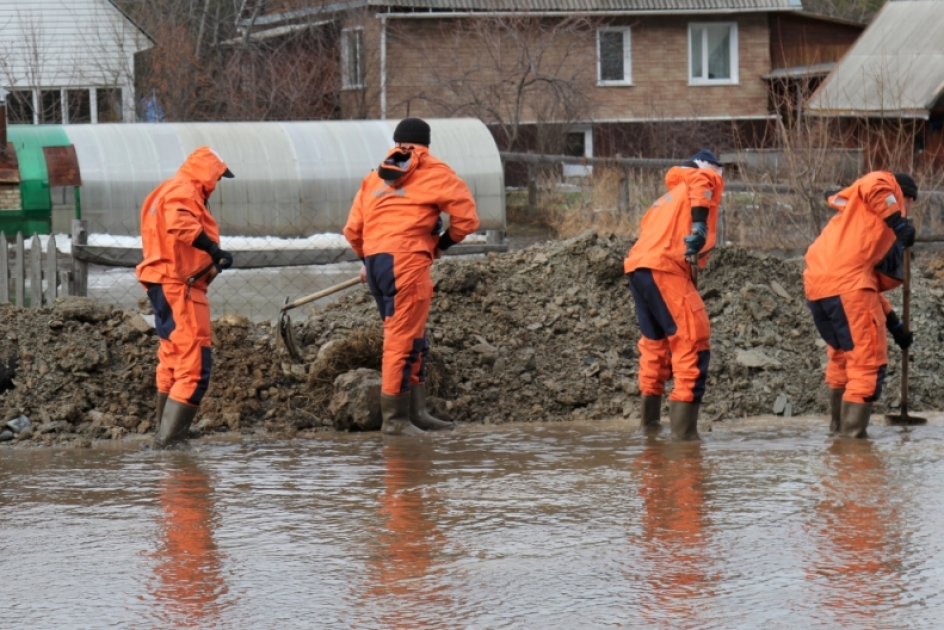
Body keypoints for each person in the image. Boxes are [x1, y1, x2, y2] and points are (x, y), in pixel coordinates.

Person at [343, 117, 480, 435]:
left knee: (413, 337)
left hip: (377, 265)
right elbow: (467, 219)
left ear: (396, 143)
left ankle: (416, 413)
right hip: (406, 263)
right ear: (426, 144)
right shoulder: (434, 171)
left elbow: (352, 230)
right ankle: (396, 422)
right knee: (401, 342)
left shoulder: (374, 177)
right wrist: (441, 245)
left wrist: (369, 257)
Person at [804, 172, 917, 438]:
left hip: (819, 288)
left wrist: (895, 325)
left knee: (843, 357)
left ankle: (837, 433)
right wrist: (899, 225)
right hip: (846, 288)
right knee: (867, 364)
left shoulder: (852, 225)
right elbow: (875, 183)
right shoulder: (885, 189)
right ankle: (854, 447)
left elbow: (864, 289)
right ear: (908, 197)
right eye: (910, 203)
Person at [136, 147, 235, 449]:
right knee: (194, 366)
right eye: (218, 176)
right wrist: (215, 251)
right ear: (207, 171)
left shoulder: (162, 190)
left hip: (161, 284)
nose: (217, 183)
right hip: (181, 287)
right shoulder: (185, 190)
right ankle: (171, 442)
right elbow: (180, 223)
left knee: (172, 358)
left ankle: (163, 434)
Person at [623, 149, 725, 440]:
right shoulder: (701, 177)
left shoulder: (663, 200)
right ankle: (685, 442)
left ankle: (649, 431)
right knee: (693, 340)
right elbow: (703, 181)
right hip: (665, 269)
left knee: (654, 347)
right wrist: (700, 225)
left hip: (639, 270)